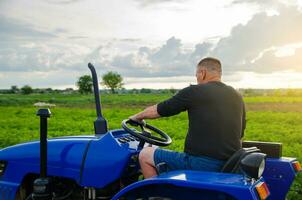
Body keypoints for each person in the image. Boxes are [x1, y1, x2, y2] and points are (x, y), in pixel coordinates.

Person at [129, 57, 246, 178]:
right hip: (230, 164)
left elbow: (161, 109)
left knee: (145, 154)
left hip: (200, 163)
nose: (197, 78)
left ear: (202, 73)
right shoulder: (237, 95)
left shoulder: (194, 91)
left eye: (196, 75)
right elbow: (241, 134)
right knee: (154, 151)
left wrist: (137, 117)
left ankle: (154, 194)